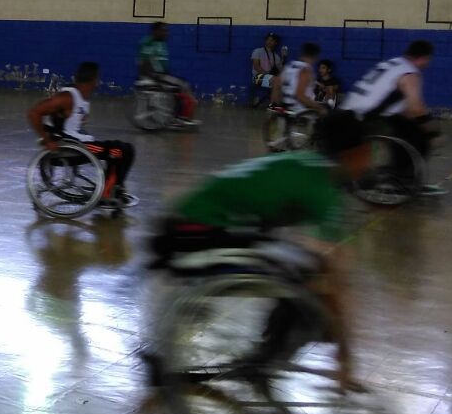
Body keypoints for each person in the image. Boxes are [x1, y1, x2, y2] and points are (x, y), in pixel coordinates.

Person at [156, 110, 371, 394]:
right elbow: (333, 281)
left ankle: (264, 359)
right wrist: (344, 355)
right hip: (197, 233)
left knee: (304, 279)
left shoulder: (305, 166)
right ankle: (263, 365)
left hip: (191, 226)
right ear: (356, 154)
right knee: (314, 295)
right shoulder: (322, 188)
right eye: (370, 153)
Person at [340, 40, 443, 195]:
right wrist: (434, 132)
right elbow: (416, 107)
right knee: (419, 139)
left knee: (407, 128)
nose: (427, 63)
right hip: (363, 117)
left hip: (346, 112)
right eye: (428, 59)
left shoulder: (393, 63)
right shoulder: (410, 73)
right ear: (424, 58)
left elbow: (404, 109)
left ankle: (395, 176)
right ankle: (400, 180)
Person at [27, 62, 136, 206]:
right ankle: (107, 193)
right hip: (71, 148)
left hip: (80, 144)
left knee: (127, 148)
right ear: (93, 80)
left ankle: (114, 186)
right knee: (118, 151)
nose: (98, 82)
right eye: (97, 78)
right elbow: (34, 112)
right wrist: (47, 140)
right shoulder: (68, 97)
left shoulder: (81, 98)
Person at [136, 22, 198, 125]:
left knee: (183, 85)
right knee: (180, 86)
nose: (167, 33)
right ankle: (177, 118)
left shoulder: (162, 43)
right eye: (164, 30)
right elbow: (144, 64)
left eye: (167, 31)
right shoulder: (147, 43)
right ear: (155, 31)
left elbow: (161, 65)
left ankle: (183, 115)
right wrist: (155, 78)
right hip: (152, 77)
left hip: (162, 75)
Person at [251, 33, 285, 106]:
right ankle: (272, 105)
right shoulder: (257, 51)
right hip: (257, 77)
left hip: (270, 78)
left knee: (283, 82)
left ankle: (278, 104)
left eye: (272, 40)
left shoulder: (276, 56)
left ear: (276, 43)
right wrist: (268, 75)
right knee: (276, 81)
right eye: (268, 40)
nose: (269, 42)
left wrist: (283, 58)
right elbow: (256, 66)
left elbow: (281, 70)